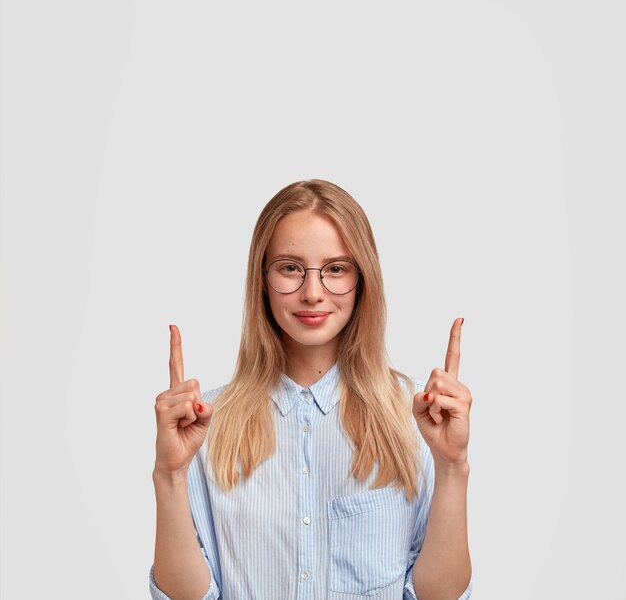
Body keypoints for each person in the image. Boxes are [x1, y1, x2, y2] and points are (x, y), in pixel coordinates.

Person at [149, 179, 473, 600]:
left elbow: (437, 597)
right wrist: (169, 475)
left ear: (362, 280)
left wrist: (452, 468)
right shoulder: (202, 421)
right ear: (262, 280)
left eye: (336, 269)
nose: (313, 293)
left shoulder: (418, 415)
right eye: (290, 268)